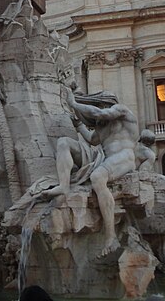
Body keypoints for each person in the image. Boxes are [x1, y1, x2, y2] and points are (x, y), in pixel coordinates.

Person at [39, 91, 139, 256]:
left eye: (95, 106)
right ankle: (63, 186)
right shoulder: (101, 124)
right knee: (63, 142)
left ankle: (110, 235)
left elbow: (99, 113)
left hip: (124, 158)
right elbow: (92, 139)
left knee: (97, 177)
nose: (95, 116)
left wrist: (74, 104)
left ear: (103, 104)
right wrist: (78, 124)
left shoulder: (121, 111)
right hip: (105, 159)